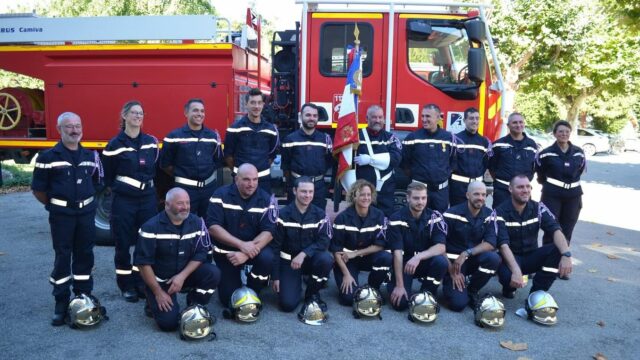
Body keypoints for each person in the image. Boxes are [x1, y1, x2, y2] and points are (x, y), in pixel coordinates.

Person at [32, 112, 102, 326]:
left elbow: (97, 183)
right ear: (59, 129)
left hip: (86, 215)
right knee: (63, 256)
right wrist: (54, 205)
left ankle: (83, 296)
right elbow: (38, 189)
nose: (74, 130)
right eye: (69, 126)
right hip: (62, 215)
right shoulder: (48, 157)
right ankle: (61, 301)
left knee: (85, 255)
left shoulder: (91, 156)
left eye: (77, 126)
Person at [134, 188, 221, 332]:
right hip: (160, 281)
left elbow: (201, 254)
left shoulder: (197, 223)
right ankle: (151, 303)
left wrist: (181, 277)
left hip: (184, 275)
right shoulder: (150, 227)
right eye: (180, 203)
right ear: (167, 205)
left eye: (187, 203)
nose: (185, 207)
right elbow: (143, 264)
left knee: (213, 273)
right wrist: (158, 292)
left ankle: (194, 305)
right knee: (169, 324)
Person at [102, 101, 159, 303]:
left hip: (147, 199)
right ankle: (126, 285)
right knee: (123, 243)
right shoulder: (114, 145)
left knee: (145, 243)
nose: (138, 116)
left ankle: (142, 282)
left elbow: (157, 170)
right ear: (124, 116)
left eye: (141, 113)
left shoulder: (151, 142)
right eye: (134, 113)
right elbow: (107, 176)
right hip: (124, 201)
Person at [207, 163, 276, 310]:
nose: (251, 184)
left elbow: (269, 232)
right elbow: (213, 227)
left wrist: (245, 252)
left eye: (255, 179)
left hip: (253, 252)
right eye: (246, 179)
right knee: (229, 300)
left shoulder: (266, 199)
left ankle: (253, 289)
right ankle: (236, 285)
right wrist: (241, 245)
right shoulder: (220, 195)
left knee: (268, 257)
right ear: (236, 179)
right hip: (228, 254)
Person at [495, 175, 572, 299]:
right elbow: (503, 245)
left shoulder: (538, 208)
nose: (525, 190)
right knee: (508, 278)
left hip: (531, 256)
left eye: (527, 186)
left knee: (558, 249)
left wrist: (566, 254)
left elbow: (555, 230)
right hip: (510, 258)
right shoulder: (500, 211)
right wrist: (515, 270)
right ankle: (509, 288)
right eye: (520, 187)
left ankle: (537, 293)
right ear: (510, 189)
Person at [271, 177, 333, 312]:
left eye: (311, 192)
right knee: (287, 305)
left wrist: (304, 253)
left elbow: (324, 241)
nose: (308, 195)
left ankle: (312, 293)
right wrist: (275, 277)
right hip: (288, 263)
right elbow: (275, 247)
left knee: (326, 259)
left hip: (310, 260)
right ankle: (294, 286)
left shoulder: (320, 214)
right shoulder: (282, 215)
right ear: (294, 191)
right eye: (303, 191)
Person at [387, 182, 449, 311]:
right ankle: (398, 285)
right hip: (404, 264)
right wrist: (399, 285)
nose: (420, 202)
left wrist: (419, 257)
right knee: (400, 304)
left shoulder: (434, 217)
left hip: (423, 261)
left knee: (441, 261)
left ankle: (427, 292)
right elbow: (397, 253)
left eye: (423, 198)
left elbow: (441, 247)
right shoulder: (396, 218)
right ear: (408, 198)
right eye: (416, 198)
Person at [330, 179, 392, 306]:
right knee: (348, 299)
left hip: (367, 257)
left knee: (386, 257)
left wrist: (356, 253)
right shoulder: (342, 218)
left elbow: (380, 245)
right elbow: (336, 250)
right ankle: (348, 281)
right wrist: (346, 275)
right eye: (362, 194)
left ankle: (373, 288)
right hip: (346, 260)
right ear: (354, 196)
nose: (366, 198)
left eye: (368, 194)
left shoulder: (379, 215)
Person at [441, 181, 501, 311]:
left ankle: (472, 289)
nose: (480, 198)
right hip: (452, 264)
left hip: (471, 258)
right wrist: (451, 269)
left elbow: (491, 243)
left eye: (483, 195)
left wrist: (466, 253)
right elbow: (438, 245)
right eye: (476, 194)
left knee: (493, 258)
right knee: (458, 305)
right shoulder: (451, 214)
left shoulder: (489, 214)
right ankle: (454, 288)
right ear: (468, 195)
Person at [160, 98, 223, 217]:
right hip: (185, 190)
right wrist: (183, 175)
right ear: (186, 113)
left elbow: (217, 161)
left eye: (202, 111)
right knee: (184, 223)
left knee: (211, 223)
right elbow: (165, 165)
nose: (199, 114)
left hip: (209, 189)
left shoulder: (213, 136)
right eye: (195, 110)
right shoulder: (173, 137)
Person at [535, 120, 585, 245]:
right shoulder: (545, 153)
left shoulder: (579, 152)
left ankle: (563, 257)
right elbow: (540, 173)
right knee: (551, 226)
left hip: (573, 195)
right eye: (561, 131)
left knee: (568, 227)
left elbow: (580, 170)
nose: (564, 134)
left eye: (567, 131)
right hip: (552, 195)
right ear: (555, 134)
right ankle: (547, 259)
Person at [401, 103, 455, 212]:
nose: (424, 119)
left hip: (441, 193)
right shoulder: (412, 138)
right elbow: (404, 163)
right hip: (419, 192)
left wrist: (442, 175)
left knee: (439, 223)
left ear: (438, 117)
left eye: (428, 116)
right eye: (422, 116)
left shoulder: (449, 138)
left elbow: (453, 162)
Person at [224, 88, 279, 192]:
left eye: (259, 103)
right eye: (252, 103)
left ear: (263, 104)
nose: (256, 106)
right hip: (241, 181)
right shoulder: (234, 129)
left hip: (263, 181)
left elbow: (271, 155)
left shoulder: (271, 129)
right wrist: (242, 174)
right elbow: (228, 156)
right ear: (246, 104)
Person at [281, 103, 333, 210]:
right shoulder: (290, 139)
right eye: (308, 115)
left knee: (318, 219)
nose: (311, 118)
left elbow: (328, 161)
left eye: (315, 116)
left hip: (318, 188)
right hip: (297, 185)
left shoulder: (325, 139)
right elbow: (286, 164)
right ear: (301, 117)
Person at [353, 105, 402, 216]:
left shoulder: (391, 138)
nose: (378, 120)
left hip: (386, 191)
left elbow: (396, 159)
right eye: (374, 117)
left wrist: (370, 159)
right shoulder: (356, 137)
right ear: (367, 118)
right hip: (363, 191)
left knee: (384, 222)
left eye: (380, 117)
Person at [488, 112, 537, 208]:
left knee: (523, 220)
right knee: (500, 219)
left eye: (521, 122)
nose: (518, 125)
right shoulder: (498, 145)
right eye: (515, 123)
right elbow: (491, 167)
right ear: (508, 125)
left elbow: (534, 167)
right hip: (502, 190)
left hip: (524, 191)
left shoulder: (532, 145)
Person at [450, 107, 491, 207]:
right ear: (464, 120)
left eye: (477, 118)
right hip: (458, 188)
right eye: (471, 118)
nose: (475, 121)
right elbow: (450, 162)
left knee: (477, 217)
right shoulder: (456, 139)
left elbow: (485, 163)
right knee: (457, 216)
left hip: (477, 187)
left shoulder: (484, 141)